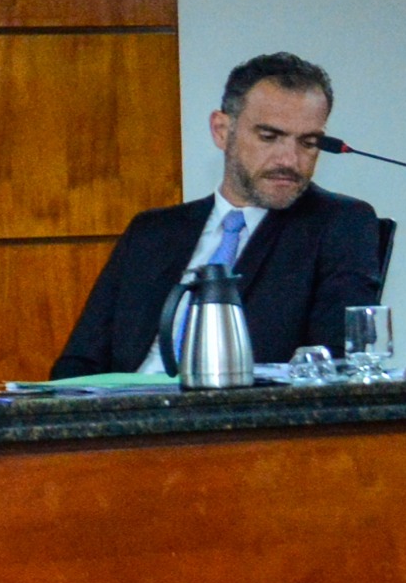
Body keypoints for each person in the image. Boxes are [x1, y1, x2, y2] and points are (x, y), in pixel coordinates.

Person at [52, 50, 387, 378]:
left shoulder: (340, 224)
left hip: (241, 412)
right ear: (222, 130)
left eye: (308, 143)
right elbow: (78, 363)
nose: (290, 160)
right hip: (130, 410)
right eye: (269, 137)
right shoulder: (152, 231)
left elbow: (335, 366)